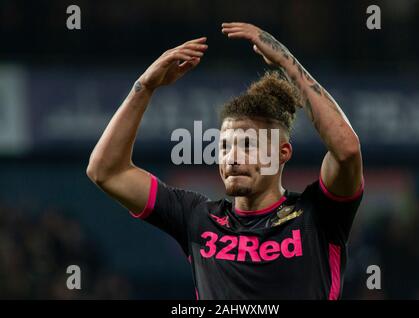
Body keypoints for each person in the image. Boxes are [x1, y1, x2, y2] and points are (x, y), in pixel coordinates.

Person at [87, 22, 364, 299]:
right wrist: (145, 86)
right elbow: (106, 171)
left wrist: (287, 64)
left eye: (248, 145)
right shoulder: (197, 217)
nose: (233, 157)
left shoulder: (318, 214)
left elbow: (347, 149)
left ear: (282, 153)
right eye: (225, 146)